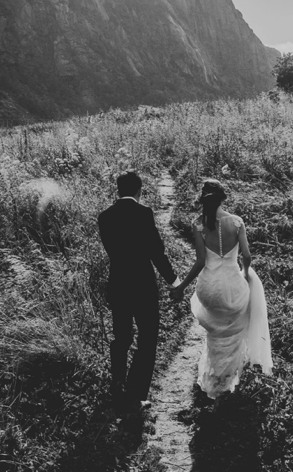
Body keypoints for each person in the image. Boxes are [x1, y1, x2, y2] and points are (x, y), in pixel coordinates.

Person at [170, 179, 273, 397]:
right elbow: (247, 255)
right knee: (234, 329)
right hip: (233, 286)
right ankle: (227, 378)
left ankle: (214, 375)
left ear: (202, 198)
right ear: (223, 198)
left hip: (209, 289)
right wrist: (245, 275)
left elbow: (199, 262)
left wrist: (181, 287)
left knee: (215, 331)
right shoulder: (236, 222)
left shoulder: (198, 223)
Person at [97, 170, 178, 412]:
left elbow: (114, 251)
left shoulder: (105, 217)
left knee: (121, 337)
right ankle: (137, 393)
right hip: (143, 285)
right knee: (148, 337)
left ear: (118, 190)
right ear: (139, 190)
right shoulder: (144, 214)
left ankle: (117, 384)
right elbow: (156, 251)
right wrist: (173, 281)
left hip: (119, 284)